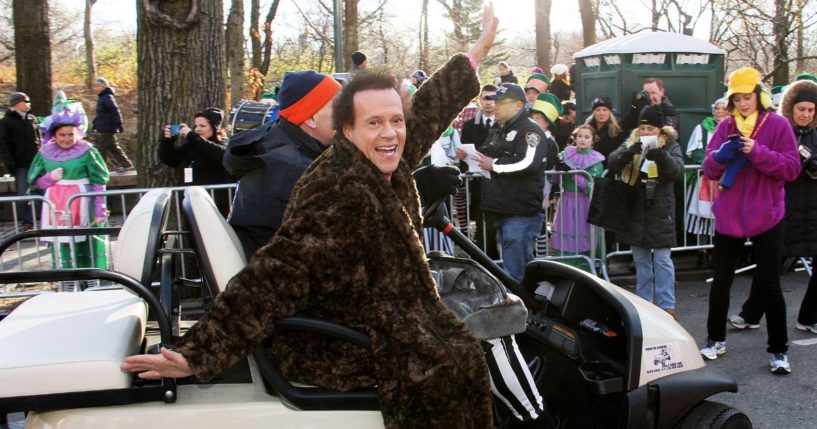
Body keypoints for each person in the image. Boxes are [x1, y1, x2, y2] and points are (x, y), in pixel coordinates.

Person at [122, 8, 505, 428]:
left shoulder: (375, 157)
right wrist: (199, 352)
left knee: (468, 335)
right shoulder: (338, 191)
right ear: (346, 129)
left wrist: (479, 47)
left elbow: (428, 110)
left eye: (395, 120)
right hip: (338, 338)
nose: (391, 132)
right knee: (465, 356)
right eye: (374, 122)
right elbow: (276, 275)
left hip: (371, 314)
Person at [699, 67, 800, 375]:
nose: (744, 104)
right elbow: (709, 167)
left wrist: (758, 151)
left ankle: (779, 351)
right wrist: (721, 155)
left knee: (770, 283)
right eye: (738, 98)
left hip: (767, 214)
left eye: (748, 97)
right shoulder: (726, 124)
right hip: (729, 216)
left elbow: (791, 168)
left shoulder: (778, 124)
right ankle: (715, 340)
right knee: (721, 282)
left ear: (759, 95)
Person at [731, 79, 817, 337]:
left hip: (813, 209)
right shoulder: (781, 131)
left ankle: (809, 317)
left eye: (811, 110)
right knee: (770, 266)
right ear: (791, 108)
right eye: (801, 109)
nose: (806, 114)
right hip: (783, 208)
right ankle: (751, 314)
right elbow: (770, 163)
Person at [225, 70, 342, 258]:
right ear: (310, 118)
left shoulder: (279, 144)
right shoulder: (293, 170)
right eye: (338, 108)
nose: (346, 116)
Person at [457, 83, 553, 282]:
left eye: (502, 102)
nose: (496, 106)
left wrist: (495, 165)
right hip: (502, 208)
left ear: (518, 105)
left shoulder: (530, 131)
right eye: (494, 101)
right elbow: (486, 154)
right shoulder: (499, 130)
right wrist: (467, 154)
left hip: (521, 211)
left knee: (518, 272)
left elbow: (527, 163)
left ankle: (526, 309)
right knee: (514, 268)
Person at [608, 104, 684, 318]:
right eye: (643, 128)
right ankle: (643, 303)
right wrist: (628, 154)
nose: (646, 132)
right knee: (640, 260)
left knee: (662, 260)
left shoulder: (670, 145)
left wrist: (661, 157)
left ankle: (666, 304)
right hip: (636, 209)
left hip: (660, 209)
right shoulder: (631, 142)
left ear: (660, 129)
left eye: (651, 128)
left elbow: (677, 172)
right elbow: (613, 161)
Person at [27, 110, 109, 269]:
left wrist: (100, 209)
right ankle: (67, 280)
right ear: (54, 136)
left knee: (86, 241)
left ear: (76, 133)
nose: (66, 138)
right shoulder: (45, 152)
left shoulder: (87, 151)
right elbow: (35, 182)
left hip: (83, 201)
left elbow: (99, 180)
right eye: (62, 135)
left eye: (70, 134)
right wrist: (49, 178)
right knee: (62, 242)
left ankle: (90, 280)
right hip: (56, 204)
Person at [158, 107, 235, 217]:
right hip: (190, 205)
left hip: (214, 206)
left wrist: (191, 136)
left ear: (214, 128)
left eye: (202, 126)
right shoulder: (193, 145)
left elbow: (220, 155)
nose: (198, 129)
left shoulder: (222, 143)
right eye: (196, 126)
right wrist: (167, 142)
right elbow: (171, 159)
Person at [551, 124, 605, 271]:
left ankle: (585, 268)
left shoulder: (596, 161)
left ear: (593, 140)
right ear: (575, 138)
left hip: (584, 203)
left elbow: (591, 187)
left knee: (584, 234)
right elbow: (554, 180)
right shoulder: (565, 154)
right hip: (566, 201)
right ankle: (564, 268)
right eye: (580, 136)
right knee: (566, 232)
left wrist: (574, 175)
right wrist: (557, 170)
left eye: (587, 137)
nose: (582, 139)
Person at [460, 84, 500, 259]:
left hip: (499, 181)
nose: (489, 102)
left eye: (493, 98)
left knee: (493, 225)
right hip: (477, 181)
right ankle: (484, 259)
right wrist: (460, 155)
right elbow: (464, 151)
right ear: (479, 99)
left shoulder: (504, 124)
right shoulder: (469, 125)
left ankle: (491, 260)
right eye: (485, 97)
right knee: (481, 222)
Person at [685, 98, 728, 237]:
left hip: (725, 180)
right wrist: (711, 164)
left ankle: (715, 251)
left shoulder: (735, 128)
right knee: (701, 216)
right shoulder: (702, 128)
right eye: (717, 108)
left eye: (724, 108)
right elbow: (696, 151)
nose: (720, 111)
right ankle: (702, 251)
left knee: (721, 216)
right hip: (704, 177)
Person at [0, 92, 41, 231]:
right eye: (26, 101)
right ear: (17, 103)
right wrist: (10, 164)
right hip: (20, 164)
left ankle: (48, 215)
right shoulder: (6, 122)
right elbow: (4, 145)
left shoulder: (31, 119)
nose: (29, 104)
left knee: (45, 188)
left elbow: (38, 140)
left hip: (36, 162)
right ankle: (27, 221)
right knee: (23, 193)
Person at [91, 77, 134, 172]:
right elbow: (101, 115)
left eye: (97, 86)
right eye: (95, 86)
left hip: (108, 128)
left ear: (103, 86)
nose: (95, 88)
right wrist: (95, 124)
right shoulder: (102, 98)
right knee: (113, 147)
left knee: (102, 148)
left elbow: (115, 111)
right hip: (105, 127)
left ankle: (100, 168)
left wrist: (119, 124)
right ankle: (126, 164)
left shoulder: (107, 97)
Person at [584, 94, 624, 163]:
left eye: (605, 110)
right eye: (598, 110)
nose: (601, 113)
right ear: (593, 112)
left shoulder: (617, 132)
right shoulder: (585, 129)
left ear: (610, 112)